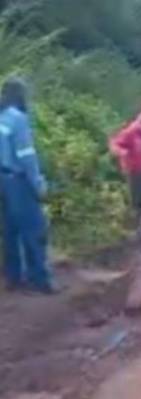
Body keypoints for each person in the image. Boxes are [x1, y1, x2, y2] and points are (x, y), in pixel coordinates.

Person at [0, 77, 57, 294]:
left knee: (10, 231)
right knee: (34, 229)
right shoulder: (18, 119)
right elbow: (26, 156)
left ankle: (13, 278)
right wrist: (38, 183)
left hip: (2, 180)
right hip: (18, 180)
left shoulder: (2, 117)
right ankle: (40, 281)